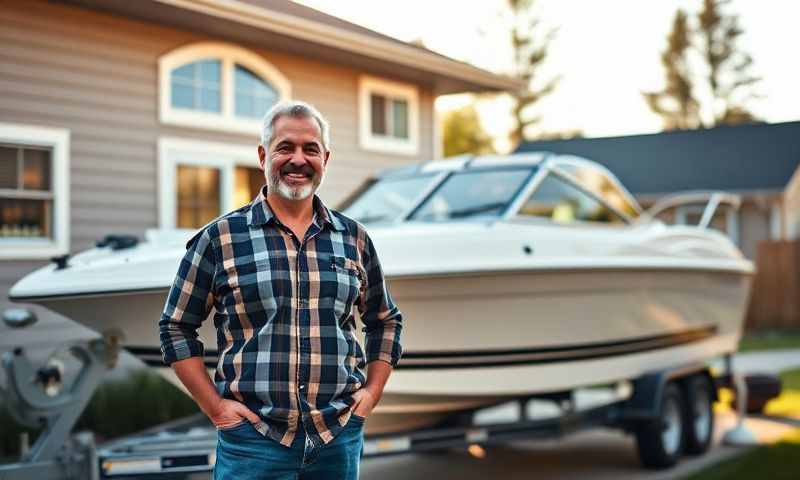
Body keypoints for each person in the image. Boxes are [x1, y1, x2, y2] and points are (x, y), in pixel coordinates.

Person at [158, 100, 403, 480]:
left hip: (336, 438)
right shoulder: (221, 238)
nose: (298, 159)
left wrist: (370, 395)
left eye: (311, 149)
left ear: (326, 158)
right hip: (253, 442)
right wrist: (217, 409)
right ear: (263, 155)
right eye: (285, 147)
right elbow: (176, 327)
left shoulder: (354, 238)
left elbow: (385, 321)